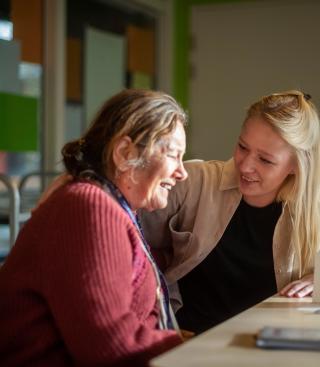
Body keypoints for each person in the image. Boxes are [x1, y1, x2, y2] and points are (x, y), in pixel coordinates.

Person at [0, 89, 189, 366]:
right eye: (173, 155)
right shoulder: (88, 207)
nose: (182, 172)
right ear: (125, 153)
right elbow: (112, 348)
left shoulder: (114, 208)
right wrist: (199, 350)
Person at [140, 90, 320, 334]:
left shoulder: (312, 210)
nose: (245, 166)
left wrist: (316, 279)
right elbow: (125, 222)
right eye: (243, 147)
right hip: (187, 338)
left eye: (265, 160)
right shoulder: (194, 182)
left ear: (295, 167)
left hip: (266, 345)